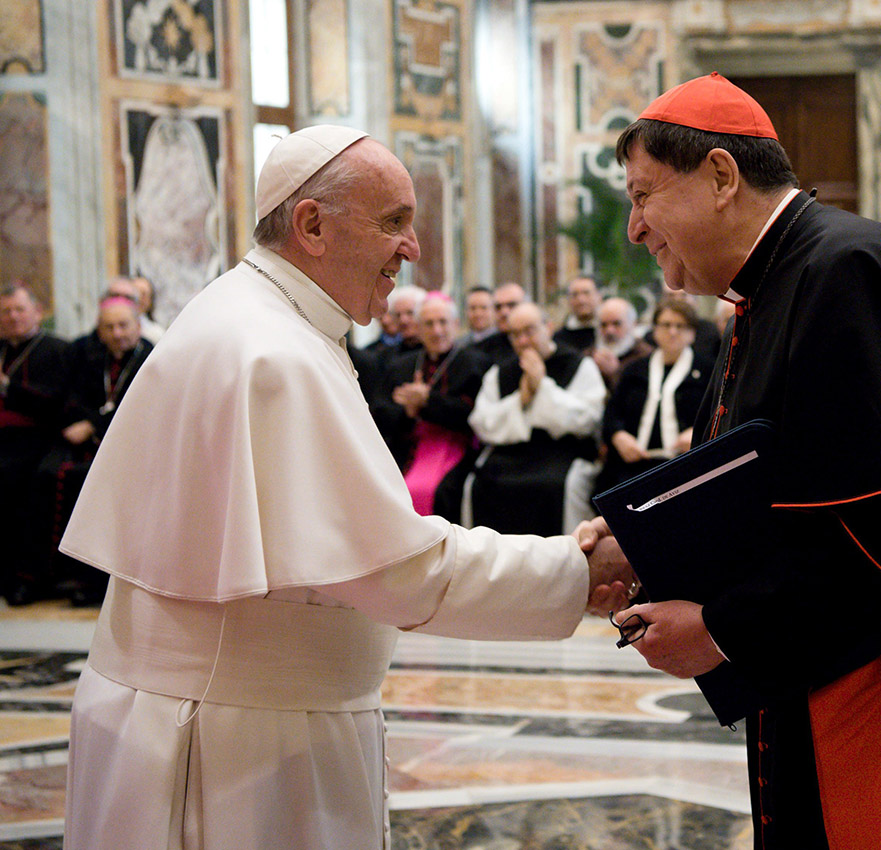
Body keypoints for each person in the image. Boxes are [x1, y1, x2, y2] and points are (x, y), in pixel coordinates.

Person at [57, 125, 633, 849]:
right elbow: (399, 572)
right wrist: (578, 571)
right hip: (236, 746)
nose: (414, 248)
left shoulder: (250, 315)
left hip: (220, 716)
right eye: (394, 222)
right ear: (311, 225)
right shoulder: (274, 351)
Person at [606, 73, 881, 849]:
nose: (635, 228)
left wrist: (721, 629)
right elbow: (749, 485)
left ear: (720, 176)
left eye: (643, 196)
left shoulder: (848, 272)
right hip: (832, 649)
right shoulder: (775, 287)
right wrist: (642, 546)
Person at [41, 295, 152, 606]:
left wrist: (95, 427)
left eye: (123, 325)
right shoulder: (90, 357)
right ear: (99, 331)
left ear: (138, 325)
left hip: (134, 446)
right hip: (92, 444)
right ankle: (64, 575)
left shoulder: (151, 357)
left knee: (98, 484)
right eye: (109, 327)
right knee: (50, 474)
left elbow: (144, 407)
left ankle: (101, 583)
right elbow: (74, 398)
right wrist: (90, 426)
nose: (117, 333)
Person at [465, 302, 605, 536]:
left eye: (529, 331)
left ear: (548, 327)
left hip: (563, 451)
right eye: (515, 335)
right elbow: (481, 422)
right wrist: (521, 399)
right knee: (478, 485)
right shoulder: (500, 372)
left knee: (554, 486)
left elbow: (588, 420)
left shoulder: (579, 365)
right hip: (509, 454)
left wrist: (542, 385)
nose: (522, 341)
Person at [371, 293, 489, 515]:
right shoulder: (401, 365)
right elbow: (379, 411)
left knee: (443, 491)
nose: (437, 331)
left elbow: (476, 414)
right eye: (429, 323)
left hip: (457, 446)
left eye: (443, 322)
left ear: (455, 324)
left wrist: (428, 401)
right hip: (407, 445)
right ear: (419, 328)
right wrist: (408, 411)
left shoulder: (475, 362)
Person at [0, 284, 71, 605]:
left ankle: (27, 578)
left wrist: (9, 387)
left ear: (37, 311)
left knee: (26, 482)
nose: (13, 317)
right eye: (6, 311)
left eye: (19, 309)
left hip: (40, 438)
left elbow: (58, 402)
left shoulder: (57, 349)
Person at [596, 299, 711, 492]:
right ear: (655, 331)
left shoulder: (708, 370)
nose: (672, 332)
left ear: (692, 333)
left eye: (680, 326)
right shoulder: (634, 369)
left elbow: (718, 411)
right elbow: (612, 412)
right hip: (633, 463)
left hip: (686, 464)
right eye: (666, 325)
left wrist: (699, 432)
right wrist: (618, 436)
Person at [590, 296, 652, 390]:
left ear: (633, 324)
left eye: (616, 324)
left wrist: (615, 373)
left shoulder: (646, 357)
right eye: (604, 325)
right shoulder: (589, 355)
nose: (609, 331)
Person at [473, 281, 525, 364]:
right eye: (498, 307)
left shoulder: (540, 344)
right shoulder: (480, 351)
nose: (504, 312)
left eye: (511, 305)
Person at [552, 275, 601, 353]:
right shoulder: (559, 339)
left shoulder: (609, 331)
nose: (581, 300)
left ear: (599, 296)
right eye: (575, 295)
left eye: (586, 293)